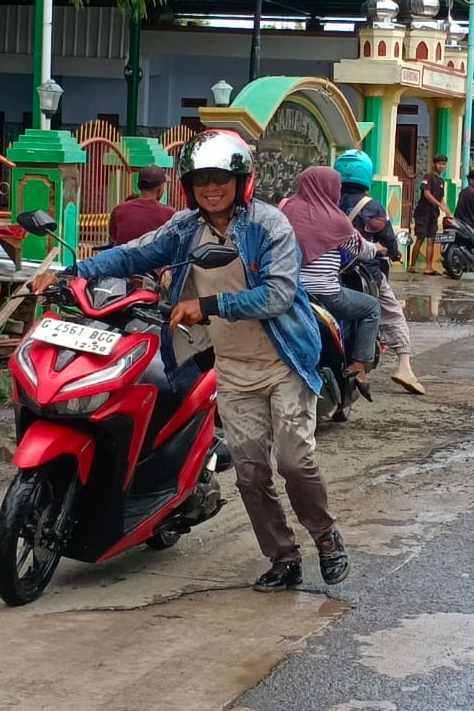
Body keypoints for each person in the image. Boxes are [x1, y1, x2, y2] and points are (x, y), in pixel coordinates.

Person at [75, 131, 349, 592]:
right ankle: (283, 557)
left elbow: (279, 295)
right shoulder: (184, 227)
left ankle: (325, 537)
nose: (211, 188)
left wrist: (208, 306)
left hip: (284, 361)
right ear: (188, 186)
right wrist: (76, 271)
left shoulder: (269, 226)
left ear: (241, 180)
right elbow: (135, 253)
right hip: (232, 366)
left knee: (295, 461)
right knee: (250, 471)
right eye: (201, 179)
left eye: (220, 178)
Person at [282, 166, 381, 391]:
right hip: (325, 295)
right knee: (372, 308)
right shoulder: (336, 219)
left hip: (288, 291)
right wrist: (378, 248)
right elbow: (362, 250)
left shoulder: (285, 209)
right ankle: (359, 365)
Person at [335, 150, 425, 396]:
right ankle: (404, 367)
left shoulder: (329, 202)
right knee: (393, 315)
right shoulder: (372, 206)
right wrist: (395, 253)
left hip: (333, 271)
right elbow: (387, 237)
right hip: (367, 271)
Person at [106, 165, 175, 246]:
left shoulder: (119, 210)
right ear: (160, 188)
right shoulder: (170, 214)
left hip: (124, 254)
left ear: (139, 186)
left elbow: (114, 235)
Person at [408, 154, 452, 275]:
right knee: (420, 238)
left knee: (431, 239)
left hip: (433, 213)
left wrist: (449, 212)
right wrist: (439, 204)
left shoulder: (441, 181)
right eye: (440, 163)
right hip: (423, 212)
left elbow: (442, 199)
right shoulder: (428, 177)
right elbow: (426, 194)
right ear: (434, 164)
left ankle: (428, 267)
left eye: (444, 164)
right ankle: (412, 266)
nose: (442, 166)